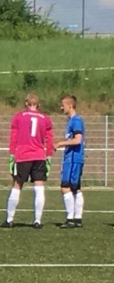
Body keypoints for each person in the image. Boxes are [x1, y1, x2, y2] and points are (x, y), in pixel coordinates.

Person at [2, 93, 54, 229]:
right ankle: (37, 220)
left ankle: (9, 219)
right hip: (39, 156)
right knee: (39, 187)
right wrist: (49, 155)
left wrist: (12, 154)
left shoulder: (19, 117)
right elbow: (49, 140)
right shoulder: (45, 119)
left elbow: (14, 138)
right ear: (38, 104)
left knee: (17, 185)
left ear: (26, 103)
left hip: (23, 155)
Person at [55, 94, 85, 229]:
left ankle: (70, 219)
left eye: (63, 105)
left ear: (70, 105)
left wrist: (60, 143)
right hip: (74, 158)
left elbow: (78, 140)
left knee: (65, 187)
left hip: (73, 158)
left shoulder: (76, 121)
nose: (61, 108)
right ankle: (77, 219)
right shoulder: (72, 121)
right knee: (75, 188)